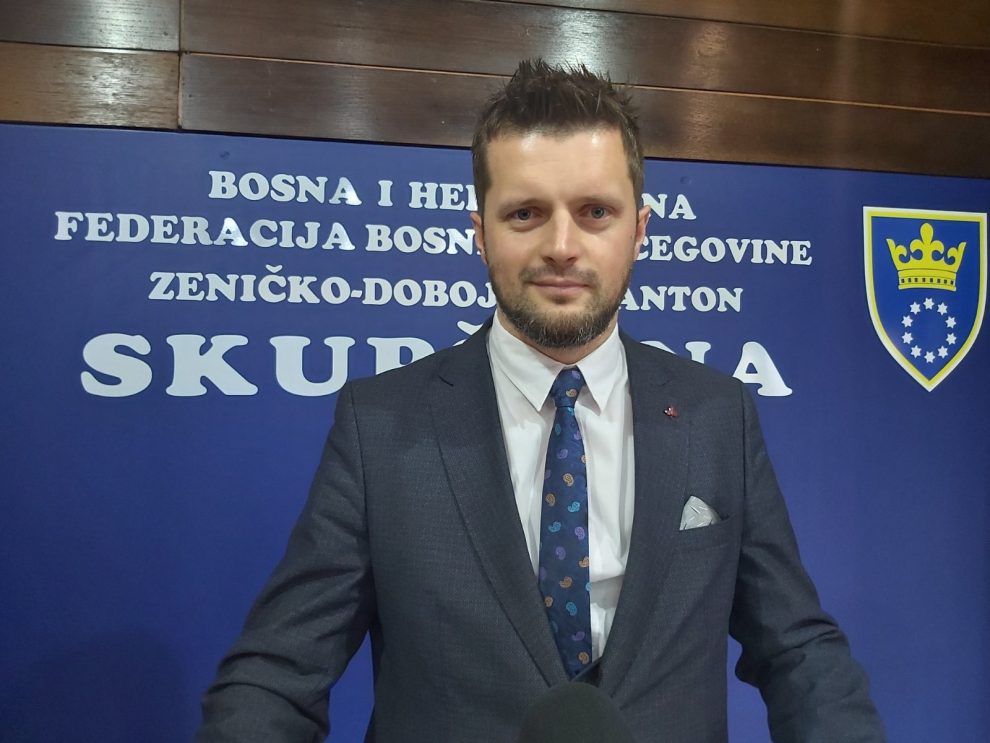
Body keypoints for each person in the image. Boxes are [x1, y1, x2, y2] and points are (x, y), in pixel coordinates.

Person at [198, 59, 885, 742]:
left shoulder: (717, 415)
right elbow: (279, 674)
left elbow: (798, 652)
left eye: (595, 212)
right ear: (481, 233)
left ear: (639, 230)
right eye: (526, 213)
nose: (561, 246)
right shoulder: (378, 426)